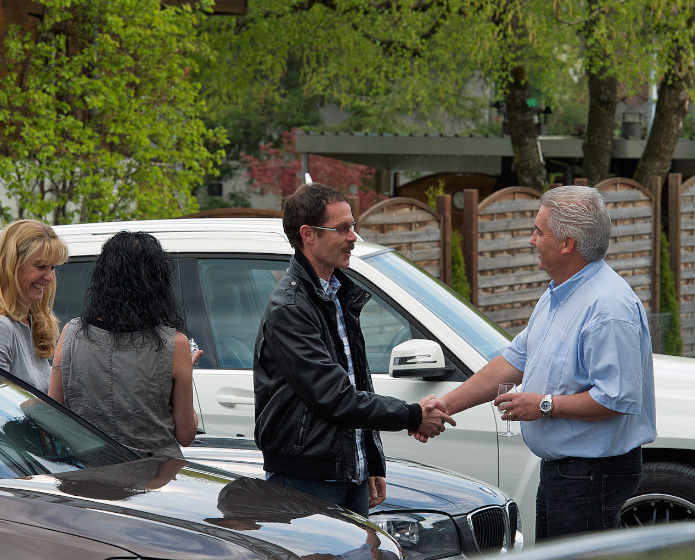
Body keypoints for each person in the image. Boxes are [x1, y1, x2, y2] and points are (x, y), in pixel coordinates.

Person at [424, 185, 656, 542]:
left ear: (568, 243)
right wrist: (444, 405)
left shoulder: (608, 308)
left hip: (592, 475)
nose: (532, 240)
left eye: (539, 231)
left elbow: (618, 399)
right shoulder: (559, 294)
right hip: (567, 473)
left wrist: (544, 405)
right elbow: (511, 363)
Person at [253, 182, 455, 518]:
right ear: (308, 235)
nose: (353, 237)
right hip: (306, 479)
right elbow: (334, 397)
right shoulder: (290, 308)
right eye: (342, 228)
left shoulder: (338, 294)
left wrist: (369, 459)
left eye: (353, 226)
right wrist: (413, 414)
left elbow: (358, 383)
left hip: (347, 474)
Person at [48, 231, 199, 459]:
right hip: (153, 476)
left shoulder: (71, 333)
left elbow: (53, 414)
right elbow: (186, 435)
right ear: (157, 282)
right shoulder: (175, 345)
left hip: (86, 473)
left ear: (102, 278)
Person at [0, 219, 68, 392]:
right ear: (9, 266)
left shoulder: (30, 323)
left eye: (52, 267)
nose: (49, 277)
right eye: (40, 266)